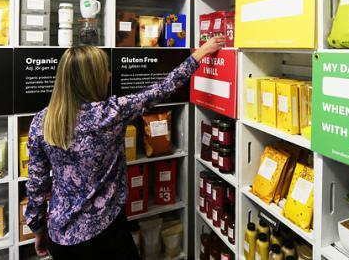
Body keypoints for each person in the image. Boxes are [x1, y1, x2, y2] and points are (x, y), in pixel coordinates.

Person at [25, 36, 225, 259]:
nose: (109, 75)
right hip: (105, 231)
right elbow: (162, 88)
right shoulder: (111, 113)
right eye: (105, 70)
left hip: (60, 236)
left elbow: (36, 184)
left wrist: (38, 228)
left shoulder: (41, 121)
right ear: (92, 78)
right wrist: (201, 53)